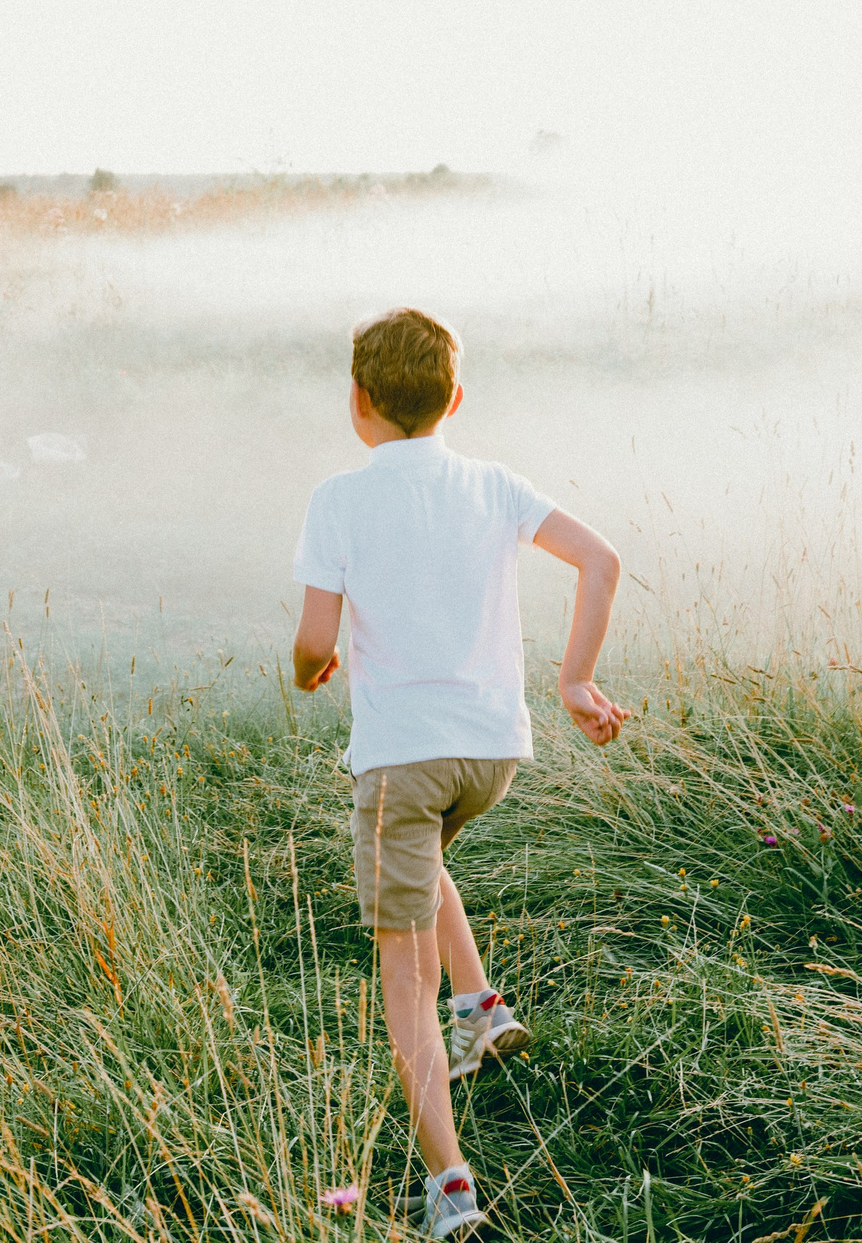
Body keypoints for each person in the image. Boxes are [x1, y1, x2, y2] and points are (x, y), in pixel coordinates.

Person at [291, 306, 629, 1238]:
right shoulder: (494, 484)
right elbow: (600, 559)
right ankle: (482, 1004)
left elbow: (317, 640)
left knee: (403, 974)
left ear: (358, 401)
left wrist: (306, 666)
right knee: (426, 852)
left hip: (402, 758)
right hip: (492, 751)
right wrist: (576, 678)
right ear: (456, 398)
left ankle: (451, 1184)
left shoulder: (338, 500)